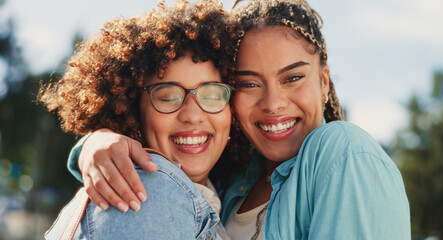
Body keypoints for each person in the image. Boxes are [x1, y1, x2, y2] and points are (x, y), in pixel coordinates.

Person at [65, 0, 411, 239]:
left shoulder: (344, 155)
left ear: (323, 82)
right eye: (248, 83)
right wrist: (96, 142)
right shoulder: (234, 181)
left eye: (292, 78)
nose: (273, 104)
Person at [39, 0, 236, 239]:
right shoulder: (148, 193)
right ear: (132, 107)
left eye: (213, 94)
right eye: (167, 97)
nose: (193, 115)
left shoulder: (226, 191)